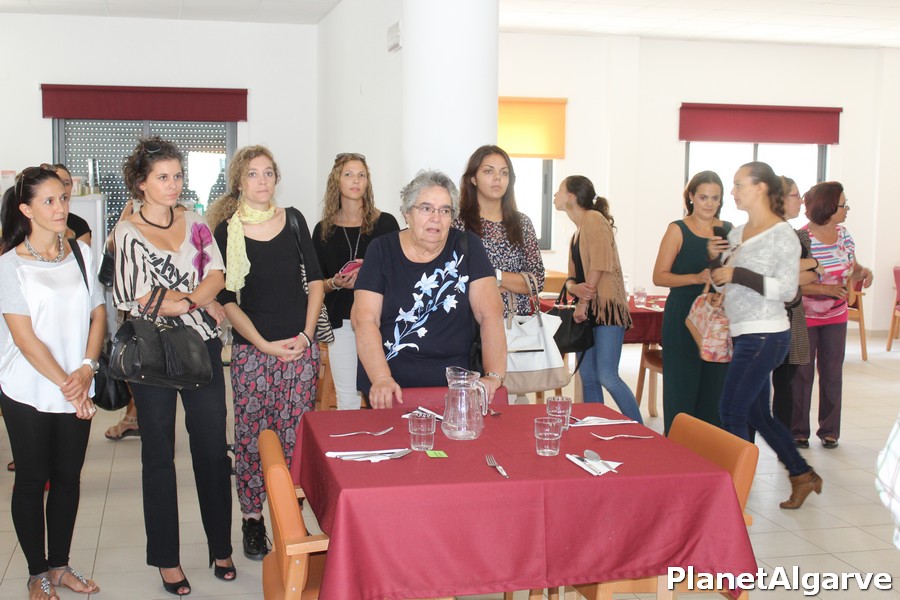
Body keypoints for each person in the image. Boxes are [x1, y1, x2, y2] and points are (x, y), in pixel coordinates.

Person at [113, 137, 234, 595]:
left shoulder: (197, 222)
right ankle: (167, 559)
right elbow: (137, 297)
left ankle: (220, 546)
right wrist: (193, 302)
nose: (173, 184)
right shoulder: (127, 232)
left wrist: (187, 302)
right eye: (162, 177)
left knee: (211, 449)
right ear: (141, 184)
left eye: (177, 175)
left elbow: (217, 274)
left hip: (201, 346)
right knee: (158, 455)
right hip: (152, 353)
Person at [209, 145, 324, 561]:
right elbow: (226, 298)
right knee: (253, 438)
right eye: (253, 174)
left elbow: (316, 281)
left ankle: (290, 517)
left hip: (299, 348)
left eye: (268, 173)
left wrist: (306, 337)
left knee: (296, 437)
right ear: (240, 182)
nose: (262, 181)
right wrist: (261, 344)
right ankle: (253, 520)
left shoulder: (293, 220)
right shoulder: (227, 231)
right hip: (253, 352)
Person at [0, 165, 104, 599]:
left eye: (63, 198)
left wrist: (87, 368)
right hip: (27, 389)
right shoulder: (9, 266)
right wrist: (70, 383)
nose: (60, 207)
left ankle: (59, 565)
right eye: (48, 201)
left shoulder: (82, 254)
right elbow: (25, 339)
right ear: (26, 210)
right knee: (31, 479)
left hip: (76, 383)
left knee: (67, 478)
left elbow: (98, 314)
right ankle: (36, 572)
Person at [710, 161, 821, 509]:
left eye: (739, 184)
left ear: (760, 188)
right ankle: (802, 474)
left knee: (731, 410)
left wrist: (737, 274)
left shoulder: (782, 235)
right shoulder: (737, 233)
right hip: (743, 332)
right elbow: (721, 282)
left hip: (766, 334)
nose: (732, 192)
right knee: (758, 415)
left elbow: (787, 290)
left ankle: (732, 494)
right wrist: (715, 262)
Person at [351, 169, 506, 408]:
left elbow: (490, 314)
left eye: (445, 210)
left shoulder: (467, 247)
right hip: (391, 386)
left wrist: (494, 375)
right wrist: (381, 378)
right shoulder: (381, 250)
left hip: (457, 389)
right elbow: (364, 319)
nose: (436, 218)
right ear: (407, 213)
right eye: (426, 208)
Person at [311, 153, 399, 410]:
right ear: (336, 181)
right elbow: (315, 285)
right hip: (341, 321)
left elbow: (399, 273)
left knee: (384, 394)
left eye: (361, 175)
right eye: (348, 174)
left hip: (381, 320)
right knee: (347, 398)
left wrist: (368, 275)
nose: (356, 180)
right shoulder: (323, 229)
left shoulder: (386, 223)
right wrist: (336, 282)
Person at [553, 176, 643, 423]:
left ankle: (640, 428)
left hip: (606, 309)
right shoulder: (576, 234)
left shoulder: (594, 219)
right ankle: (595, 427)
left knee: (607, 376)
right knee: (589, 378)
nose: (555, 195)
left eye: (559, 190)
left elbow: (600, 264)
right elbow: (571, 278)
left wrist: (583, 300)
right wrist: (574, 288)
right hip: (588, 312)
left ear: (571, 197)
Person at [791, 181, 873, 449]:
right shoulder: (801, 238)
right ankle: (798, 431)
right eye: (843, 205)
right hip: (804, 317)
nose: (847, 209)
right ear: (827, 207)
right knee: (802, 375)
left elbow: (851, 266)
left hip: (836, 316)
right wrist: (825, 288)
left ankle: (829, 431)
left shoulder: (844, 235)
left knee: (832, 373)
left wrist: (863, 272)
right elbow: (791, 282)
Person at [652, 171, 731, 433]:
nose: (709, 203)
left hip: (716, 315)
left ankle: (710, 448)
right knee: (682, 387)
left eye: (715, 198)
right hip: (682, 315)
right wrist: (696, 277)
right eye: (703, 197)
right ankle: (679, 448)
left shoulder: (728, 230)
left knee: (715, 387)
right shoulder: (678, 229)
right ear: (691, 197)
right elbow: (659, 276)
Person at [454, 145, 545, 316]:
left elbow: (537, 281)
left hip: (517, 323)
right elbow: (456, 281)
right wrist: (513, 282)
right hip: (473, 322)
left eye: (504, 173)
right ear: (473, 178)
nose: (497, 178)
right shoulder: (458, 224)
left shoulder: (522, 223)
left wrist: (496, 277)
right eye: (488, 171)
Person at [765, 177, 816, 437]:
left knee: (786, 385)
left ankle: (783, 442)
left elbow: (810, 277)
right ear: (780, 199)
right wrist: (809, 265)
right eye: (796, 195)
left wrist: (808, 267)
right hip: (764, 318)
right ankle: (745, 445)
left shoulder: (799, 236)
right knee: (757, 388)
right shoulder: (763, 234)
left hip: (792, 316)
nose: (801, 201)